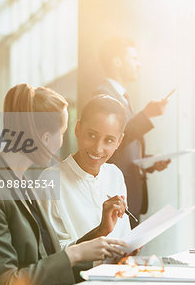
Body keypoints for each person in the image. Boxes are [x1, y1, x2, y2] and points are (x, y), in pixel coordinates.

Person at [0, 84, 127, 285]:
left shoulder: (19, 183)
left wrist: (96, 242)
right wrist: (74, 254)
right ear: (44, 138)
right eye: (62, 133)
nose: (61, 143)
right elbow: (6, 282)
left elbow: (49, 261)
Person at [96, 36, 171, 226]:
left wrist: (149, 162)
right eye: (134, 58)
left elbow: (124, 147)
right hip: (116, 195)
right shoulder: (104, 95)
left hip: (129, 194)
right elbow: (111, 139)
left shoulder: (122, 97)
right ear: (117, 61)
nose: (139, 64)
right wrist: (146, 115)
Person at [42, 95, 131, 251]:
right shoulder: (51, 180)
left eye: (109, 140)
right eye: (92, 135)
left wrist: (129, 248)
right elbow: (53, 254)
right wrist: (101, 231)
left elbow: (124, 237)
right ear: (77, 129)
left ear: (119, 142)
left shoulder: (115, 175)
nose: (97, 148)